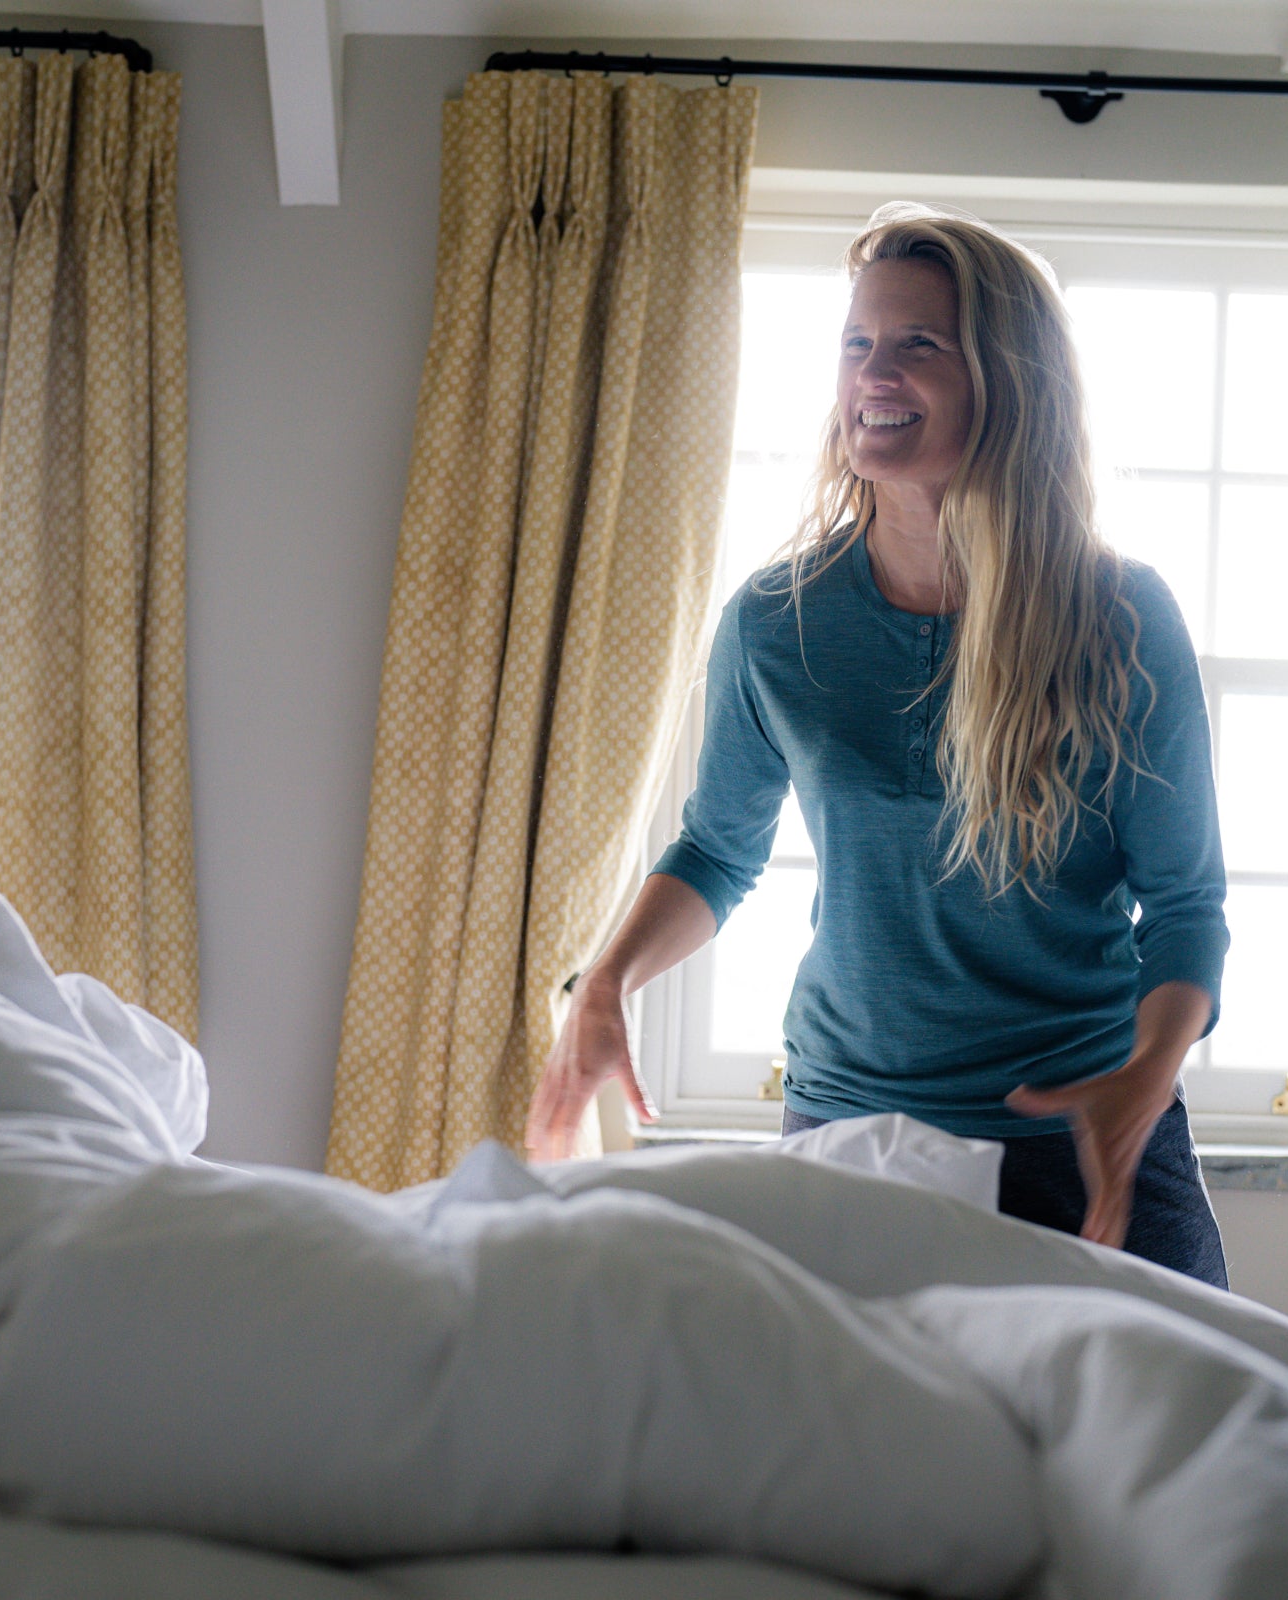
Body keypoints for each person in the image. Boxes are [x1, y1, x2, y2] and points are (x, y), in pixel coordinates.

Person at [524, 204, 1232, 1287]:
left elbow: (1184, 907)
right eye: (857, 343)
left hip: (1081, 1131)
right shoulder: (779, 619)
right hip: (849, 1129)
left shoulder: (1122, 617)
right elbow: (718, 850)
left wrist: (1150, 1070)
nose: (873, 372)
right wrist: (607, 981)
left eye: (918, 344)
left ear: (1009, 379)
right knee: (848, 1457)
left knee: (1177, 1447)